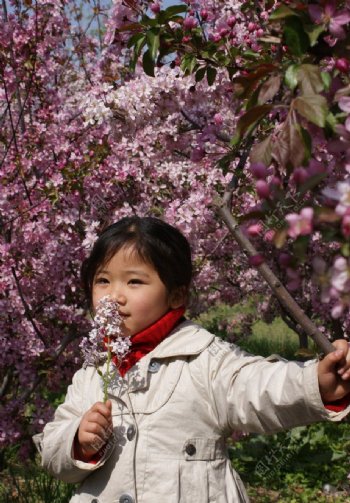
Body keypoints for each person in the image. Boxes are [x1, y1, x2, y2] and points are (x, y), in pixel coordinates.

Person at [34, 216, 350, 503]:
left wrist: (314, 384)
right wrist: (78, 442)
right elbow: (52, 453)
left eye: (134, 282)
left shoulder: (204, 358)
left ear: (176, 296)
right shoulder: (94, 373)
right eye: (103, 280)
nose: (115, 296)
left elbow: (258, 387)